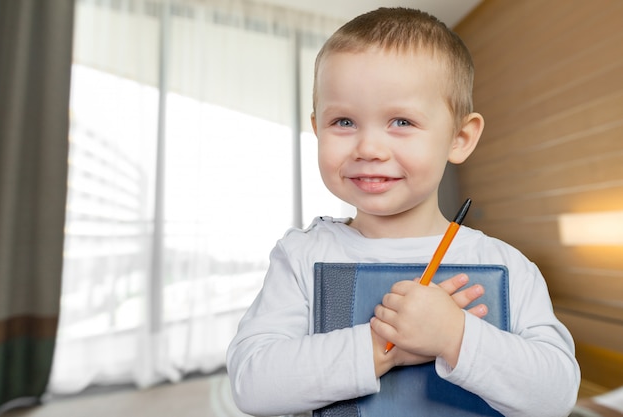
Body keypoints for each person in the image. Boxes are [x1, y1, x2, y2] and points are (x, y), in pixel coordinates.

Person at [226, 7, 580, 417]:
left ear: (460, 138)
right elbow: (253, 385)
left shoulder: (507, 265)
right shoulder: (301, 256)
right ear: (317, 129)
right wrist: (384, 345)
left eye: (401, 121)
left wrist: (454, 335)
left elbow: (555, 397)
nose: (369, 149)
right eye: (343, 121)